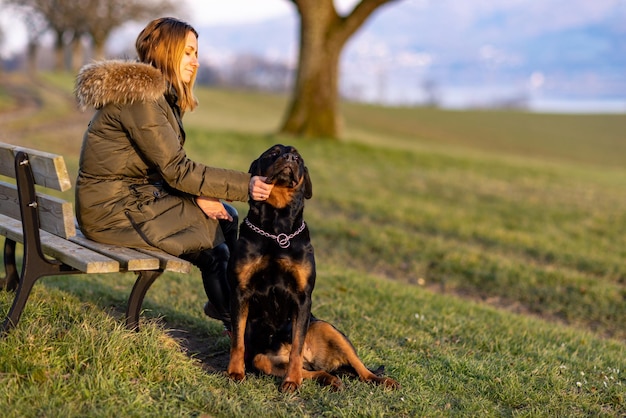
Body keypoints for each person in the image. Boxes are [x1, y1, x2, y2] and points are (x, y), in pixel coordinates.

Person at [74, 17, 273, 332]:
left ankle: (236, 308)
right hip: (110, 212)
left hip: (127, 201)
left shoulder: (155, 97)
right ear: (167, 51)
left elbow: (168, 168)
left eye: (196, 53)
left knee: (225, 216)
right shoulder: (141, 99)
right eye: (189, 52)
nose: (196, 61)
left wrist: (199, 194)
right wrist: (246, 185)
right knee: (214, 229)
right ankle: (244, 327)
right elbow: (177, 170)